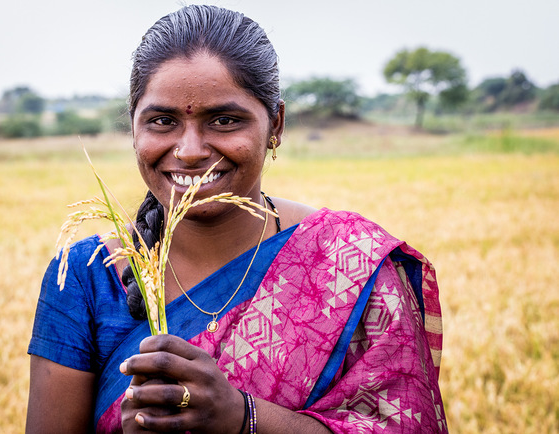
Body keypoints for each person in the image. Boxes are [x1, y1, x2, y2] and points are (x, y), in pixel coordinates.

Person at [26, 5, 447, 433]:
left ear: (276, 124)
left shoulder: (348, 262)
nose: (190, 150)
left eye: (224, 120)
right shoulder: (85, 278)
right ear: (134, 129)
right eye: (162, 121)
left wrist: (242, 417)